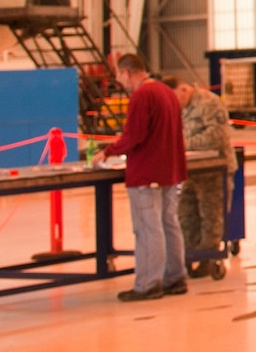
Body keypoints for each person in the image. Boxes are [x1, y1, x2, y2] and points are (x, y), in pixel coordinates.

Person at [100, 53, 189, 301]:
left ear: (127, 72)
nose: (119, 80)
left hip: (147, 173)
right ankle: (175, 277)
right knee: (169, 223)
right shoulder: (166, 92)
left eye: (119, 75)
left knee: (149, 229)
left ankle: (149, 283)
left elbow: (135, 135)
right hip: (170, 171)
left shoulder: (142, 95)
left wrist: (107, 152)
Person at [175, 79, 234, 280]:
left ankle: (209, 258)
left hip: (214, 169)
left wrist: (183, 144)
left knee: (211, 215)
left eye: (176, 97)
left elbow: (218, 136)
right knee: (186, 212)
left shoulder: (210, 103)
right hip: (191, 171)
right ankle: (190, 254)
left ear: (184, 89)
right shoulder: (183, 108)